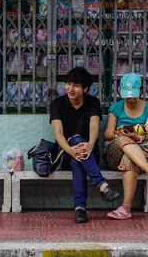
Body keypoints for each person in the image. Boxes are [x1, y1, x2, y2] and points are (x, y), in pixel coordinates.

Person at [50, 67, 121, 224]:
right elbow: (58, 133)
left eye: (75, 85)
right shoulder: (57, 104)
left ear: (85, 88)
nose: (70, 89)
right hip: (65, 154)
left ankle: (80, 209)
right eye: (68, 84)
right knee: (75, 142)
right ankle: (102, 185)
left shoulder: (93, 103)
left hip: (88, 153)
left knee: (79, 158)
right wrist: (70, 150)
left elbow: (94, 128)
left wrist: (89, 145)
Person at [103, 73, 148, 220]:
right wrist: (117, 135)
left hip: (143, 153)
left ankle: (125, 208)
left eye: (134, 96)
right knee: (123, 141)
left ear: (140, 91)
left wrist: (138, 137)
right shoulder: (116, 108)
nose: (130, 100)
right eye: (127, 96)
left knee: (128, 159)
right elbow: (107, 134)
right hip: (114, 155)